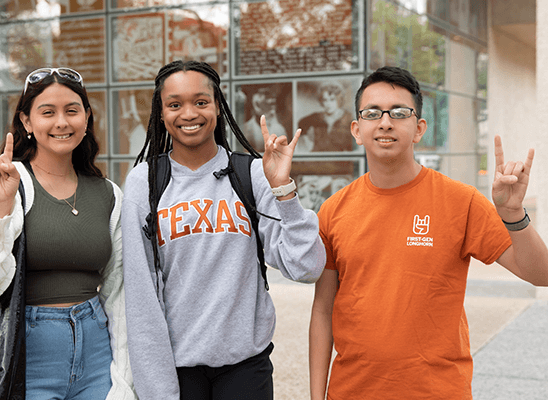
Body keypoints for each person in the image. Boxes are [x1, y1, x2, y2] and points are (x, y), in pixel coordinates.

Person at [309, 66, 548, 400]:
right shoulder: (333, 210)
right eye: (372, 113)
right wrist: (316, 396)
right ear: (357, 129)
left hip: (438, 392)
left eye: (399, 112)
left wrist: (513, 215)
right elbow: (323, 310)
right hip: (352, 391)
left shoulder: (459, 201)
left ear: (419, 128)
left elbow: (541, 274)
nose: (385, 122)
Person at [121, 60, 326, 399]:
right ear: (161, 114)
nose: (189, 113)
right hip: (178, 371)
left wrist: (284, 190)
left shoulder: (252, 174)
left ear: (218, 106)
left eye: (201, 102)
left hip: (246, 369)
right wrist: (158, 391)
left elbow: (306, 268)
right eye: (175, 104)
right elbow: (142, 297)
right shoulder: (145, 182)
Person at [0, 68, 136, 400]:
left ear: (87, 117)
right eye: (47, 112)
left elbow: (118, 293)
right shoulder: (3, 182)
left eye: (72, 110)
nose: (61, 122)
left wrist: (123, 381)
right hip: (22, 356)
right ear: (26, 121)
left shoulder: (108, 193)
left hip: (96, 355)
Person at [297, 82, 355, 152]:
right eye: (325, 100)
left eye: (332, 99)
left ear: (339, 99)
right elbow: (300, 125)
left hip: (339, 160)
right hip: (317, 160)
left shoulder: (349, 119)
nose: (328, 104)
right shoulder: (316, 117)